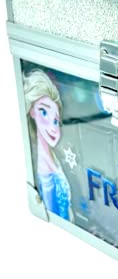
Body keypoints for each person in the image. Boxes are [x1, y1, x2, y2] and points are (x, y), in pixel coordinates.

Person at [24, 70, 72, 220]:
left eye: (56, 121)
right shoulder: (44, 172)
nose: (52, 127)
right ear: (32, 111)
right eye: (44, 112)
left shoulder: (54, 160)